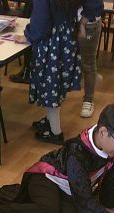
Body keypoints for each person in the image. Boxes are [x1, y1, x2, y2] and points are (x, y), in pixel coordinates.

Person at [15, 0, 83, 145]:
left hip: (52, 43)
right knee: (57, 85)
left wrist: (28, 35)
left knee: (50, 87)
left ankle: (55, 132)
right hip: (67, 39)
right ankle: (51, 120)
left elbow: (40, 26)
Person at [77, 0, 104, 118]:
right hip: (71, 21)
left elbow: (95, 5)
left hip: (88, 23)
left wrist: (82, 23)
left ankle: (88, 100)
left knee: (88, 63)